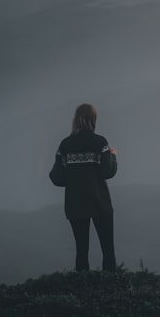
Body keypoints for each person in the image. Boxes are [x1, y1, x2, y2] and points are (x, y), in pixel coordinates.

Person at [49, 103, 118, 271]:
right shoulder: (100, 142)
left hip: (75, 204)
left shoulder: (65, 145)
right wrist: (113, 157)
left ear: (76, 119)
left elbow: (56, 178)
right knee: (108, 250)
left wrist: (74, 179)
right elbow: (107, 173)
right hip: (99, 202)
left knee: (81, 251)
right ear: (93, 119)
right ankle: (111, 289)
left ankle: (82, 290)